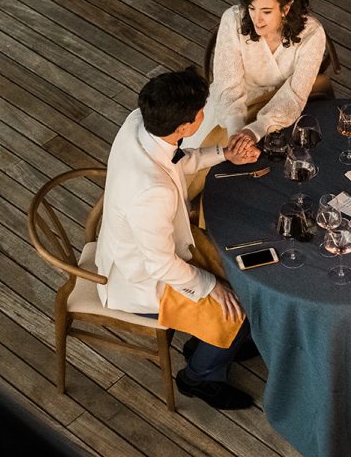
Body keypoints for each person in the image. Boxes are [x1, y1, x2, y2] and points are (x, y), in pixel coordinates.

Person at [94, 67, 261, 409]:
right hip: (140, 276)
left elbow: (177, 160)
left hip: (144, 244)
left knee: (245, 276)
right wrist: (211, 287)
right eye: (201, 111)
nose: (205, 113)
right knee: (236, 304)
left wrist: (224, 154)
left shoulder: (140, 123)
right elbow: (161, 265)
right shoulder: (152, 192)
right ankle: (199, 376)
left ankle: (215, 343)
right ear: (185, 127)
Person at [184, 0, 328, 154]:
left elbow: (295, 92)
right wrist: (237, 133)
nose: (256, 19)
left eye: (266, 12)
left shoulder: (313, 34)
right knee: (205, 157)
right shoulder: (233, 20)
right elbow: (227, 82)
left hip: (282, 107)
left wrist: (256, 130)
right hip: (233, 104)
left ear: (285, 8)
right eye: (252, 8)